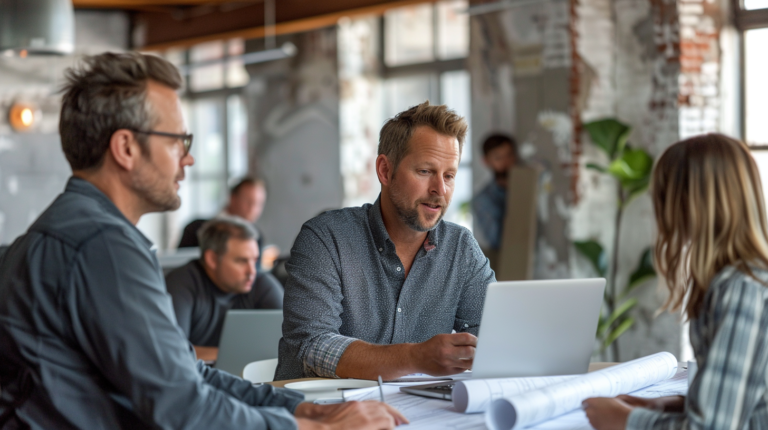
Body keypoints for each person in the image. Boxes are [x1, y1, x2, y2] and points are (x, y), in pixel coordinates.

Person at [0, 52, 405, 430]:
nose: (188, 158)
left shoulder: (73, 230)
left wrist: (302, 407)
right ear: (125, 148)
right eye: (177, 140)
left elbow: (184, 373)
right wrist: (313, 428)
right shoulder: (101, 246)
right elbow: (183, 406)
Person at [275, 101, 496, 381]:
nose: (440, 190)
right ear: (385, 171)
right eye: (425, 171)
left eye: (449, 175)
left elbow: (495, 336)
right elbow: (313, 346)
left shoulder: (461, 248)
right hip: (322, 413)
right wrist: (415, 357)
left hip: (414, 412)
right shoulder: (325, 238)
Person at [582, 133, 768, 429]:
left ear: (688, 204)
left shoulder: (742, 291)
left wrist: (626, 420)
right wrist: (666, 405)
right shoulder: (736, 281)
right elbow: (744, 397)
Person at [166, 217, 284, 362]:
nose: (252, 271)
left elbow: (292, 343)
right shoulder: (179, 285)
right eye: (241, 261)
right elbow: (172, 351)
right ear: (212, 259)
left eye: (255, 260)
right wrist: (240, 355)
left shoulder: (262, 284)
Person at [472, 133, 518, 251]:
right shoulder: (483, 200)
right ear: (486, 161)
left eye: (509, 155)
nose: (506, 162)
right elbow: (498, 241)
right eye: (498, 158)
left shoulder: (534, 186)